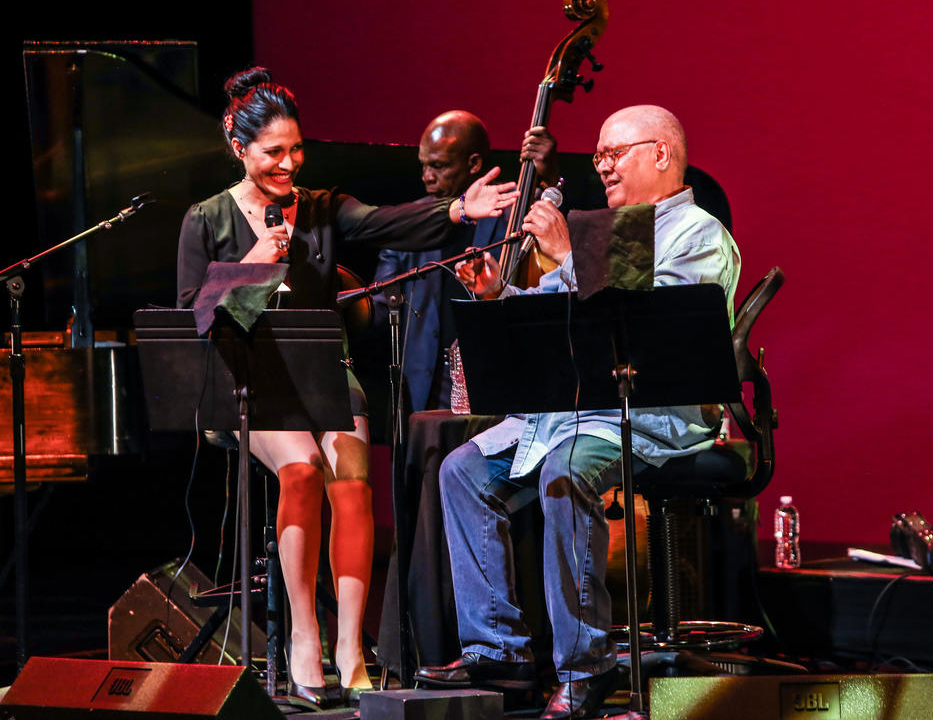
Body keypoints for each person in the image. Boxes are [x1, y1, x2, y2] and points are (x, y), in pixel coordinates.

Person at [176, 67, 517, 707]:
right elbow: (194, 315)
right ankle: (305, 636)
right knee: (302, 470)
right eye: (273, 152)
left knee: (353, 484)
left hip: (325, 375)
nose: (287, 162)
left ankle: (351, 646)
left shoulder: (323, 209)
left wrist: (455, 208)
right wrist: (252, 265)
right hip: (252, 383)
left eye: (295, 149)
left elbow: (389, 223)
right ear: (240, 148)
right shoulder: (207, 219)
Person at [414, 105, 741, 719]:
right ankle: (499, 651)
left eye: (614, 154)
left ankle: (585, 667)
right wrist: (498, 294)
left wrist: (566, 259)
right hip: (571, 411)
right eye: (598, 157)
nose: (603, 167)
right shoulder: (603, 230)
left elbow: (653, 334)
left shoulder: (699, 233)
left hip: (651, 414)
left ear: (662, 154)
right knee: (461, 469)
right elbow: (549, 316)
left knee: (564, 470)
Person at [372, 110, 559, 412]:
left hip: (493, 379)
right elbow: (379, 304)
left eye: (439, 166)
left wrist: (549, 178)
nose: (426, 177)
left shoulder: (513, 214)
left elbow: (559, 250)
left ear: (473, 163)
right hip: (420, 389)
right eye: (424, 165)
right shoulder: (411, 223)